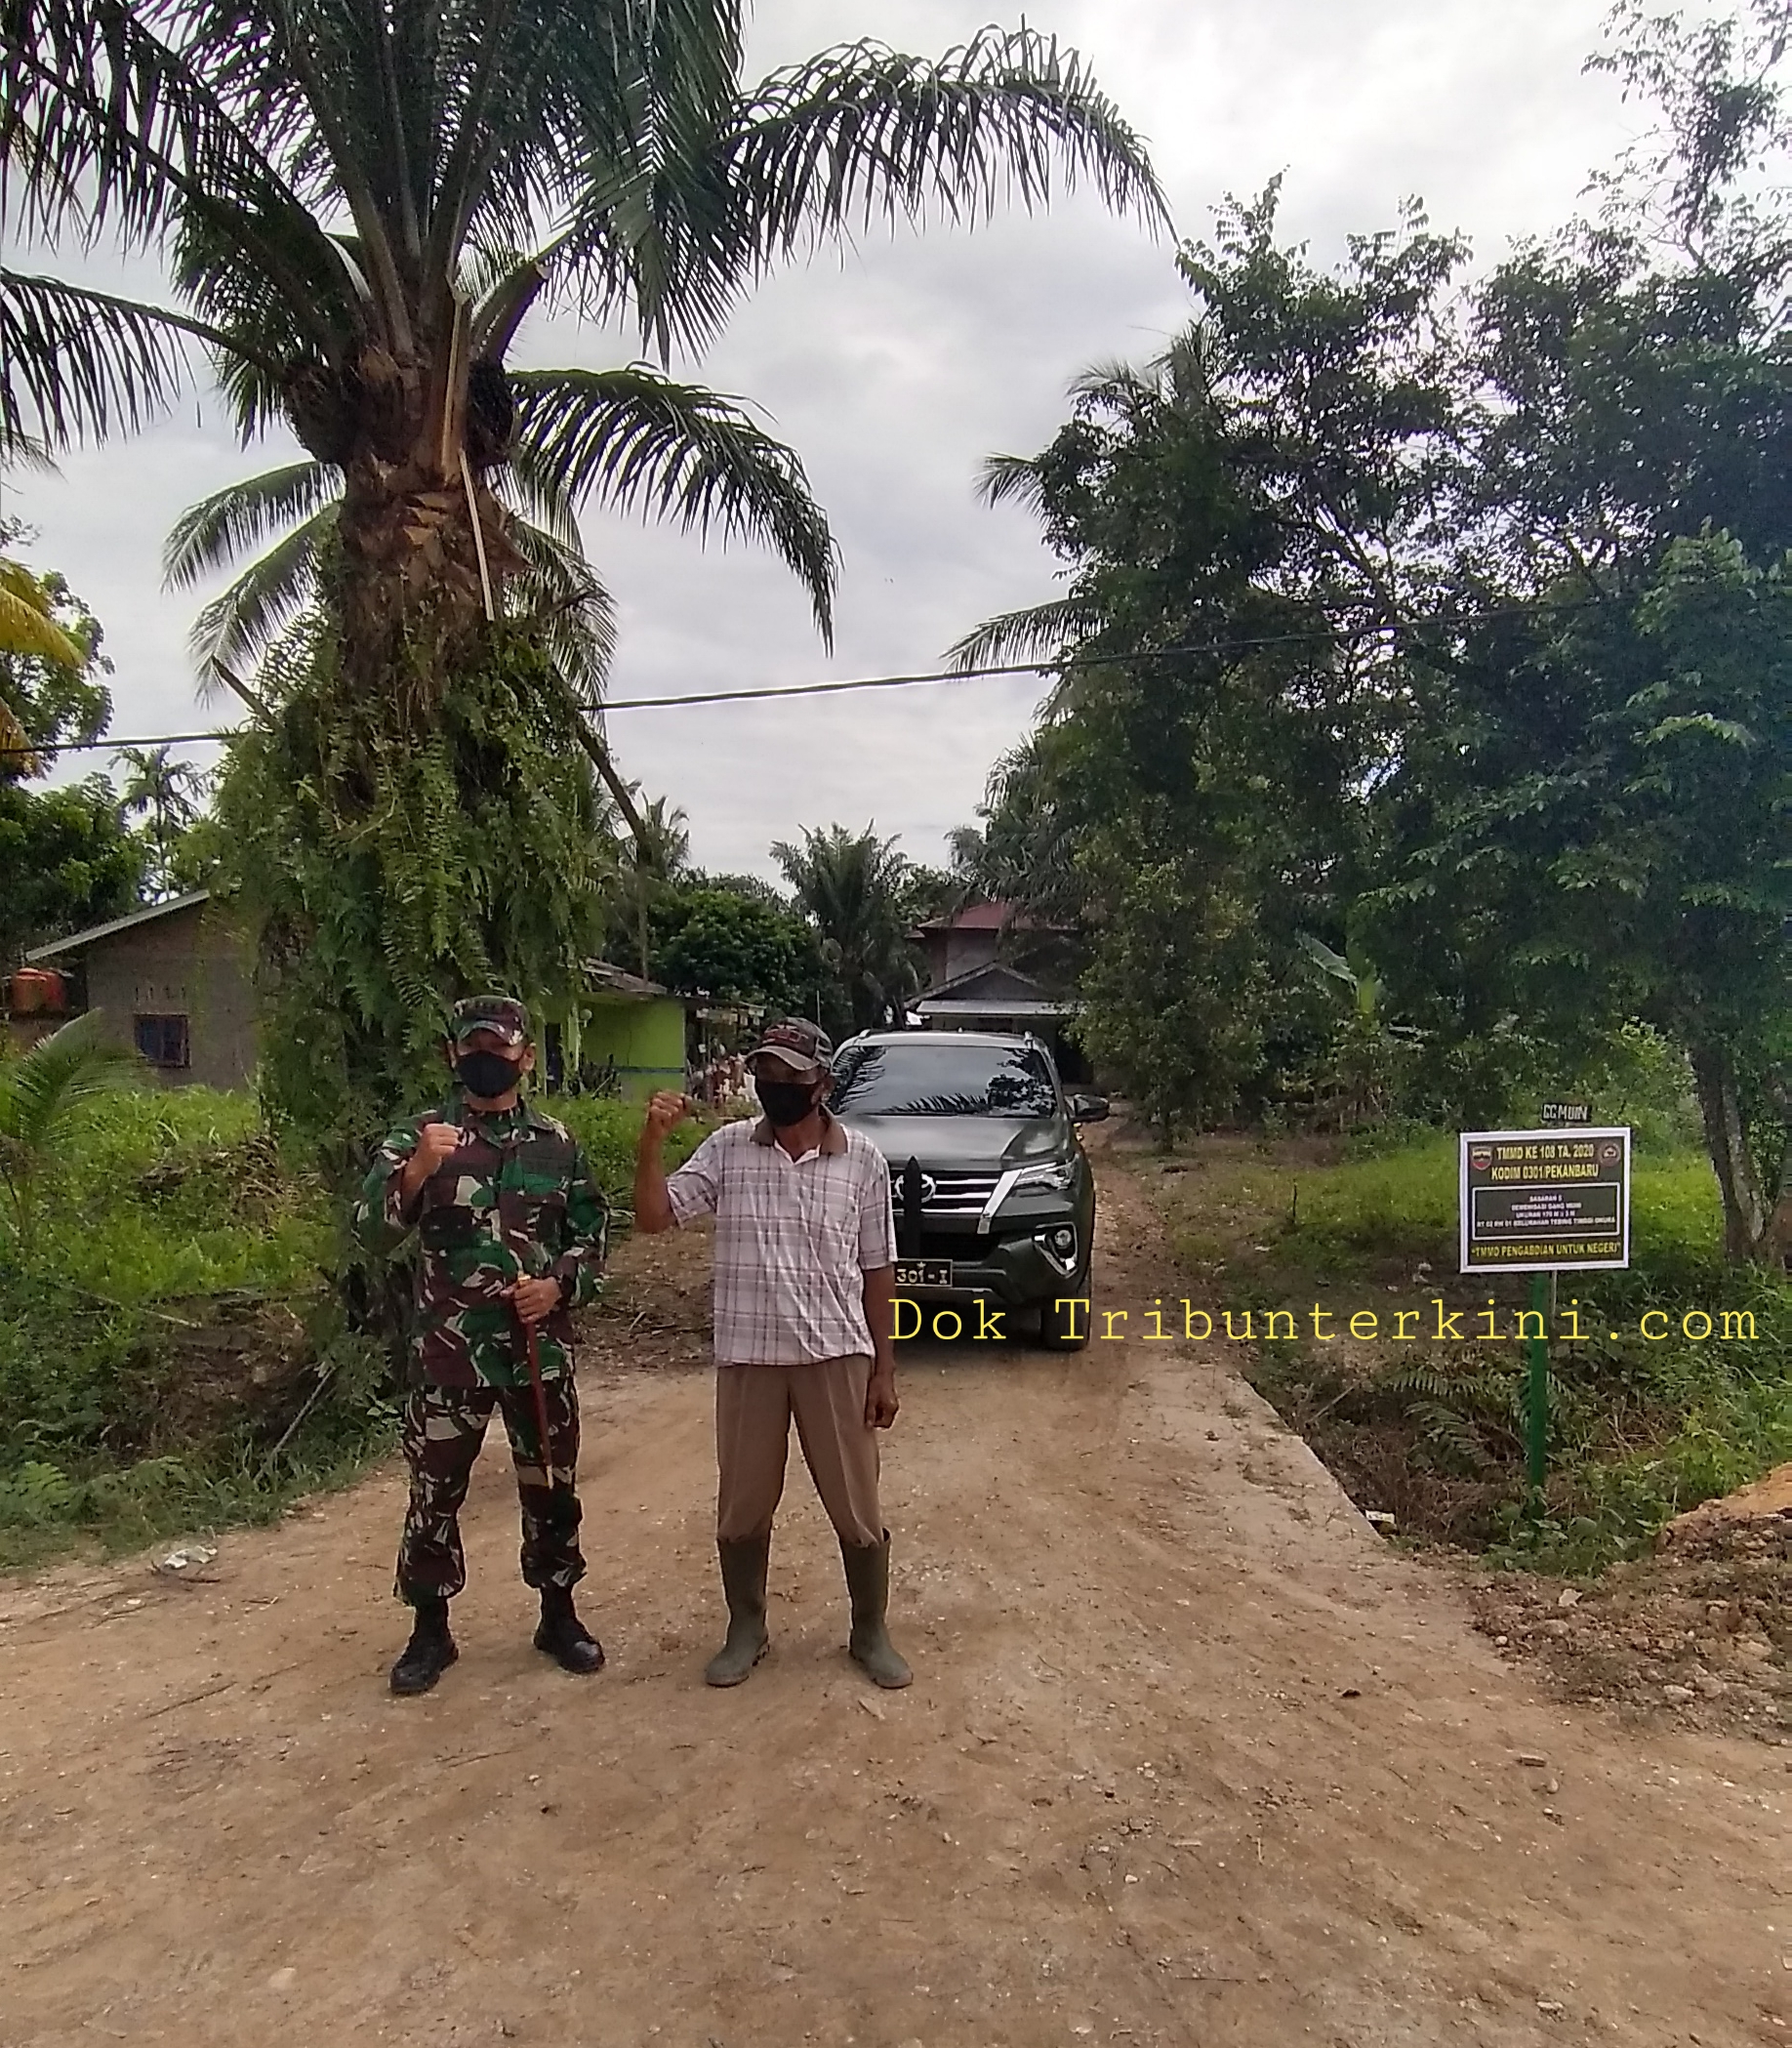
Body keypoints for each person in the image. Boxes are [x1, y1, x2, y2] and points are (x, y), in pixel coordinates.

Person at [633, 1017, 911, 1690]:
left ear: (823, 1082)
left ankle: (870, 1631)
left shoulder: (862, 1161)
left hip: (836, 1354)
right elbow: (653, 1216)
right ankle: (746, 1628)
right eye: (767, 1073)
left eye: (791, 1074)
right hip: (750, 1356)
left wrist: (884, 1368)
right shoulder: (729, 1150)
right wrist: (651, 1143)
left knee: (857, 1504)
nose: (776, 1086)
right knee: (743, 1503)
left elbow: (878, 1271)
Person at [355, 996, 610, 1696]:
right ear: (452, 1055)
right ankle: (429, 1630)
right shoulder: (418, 1138)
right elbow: (370, 1234)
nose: (485, 1061)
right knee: (435, 1492)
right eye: (473, 1048)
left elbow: (594, 1234)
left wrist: (560, 1285)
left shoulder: (558, 1144)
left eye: (500, 1050)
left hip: (538, 1352)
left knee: (552, 1486)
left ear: (526, 1058)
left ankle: (558, 1615)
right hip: (450, 1353)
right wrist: (413, 1175)